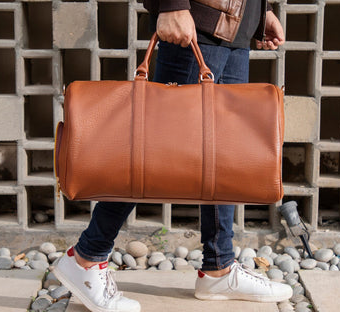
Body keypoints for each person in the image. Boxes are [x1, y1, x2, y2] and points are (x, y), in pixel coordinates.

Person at [53, 1, 291, 311]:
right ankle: (86, 257)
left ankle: (218, 268)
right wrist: (170, 4)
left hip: (238, 24)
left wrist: (261, 10)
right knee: (150, 147)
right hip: (197, 16)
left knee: (223, 154)